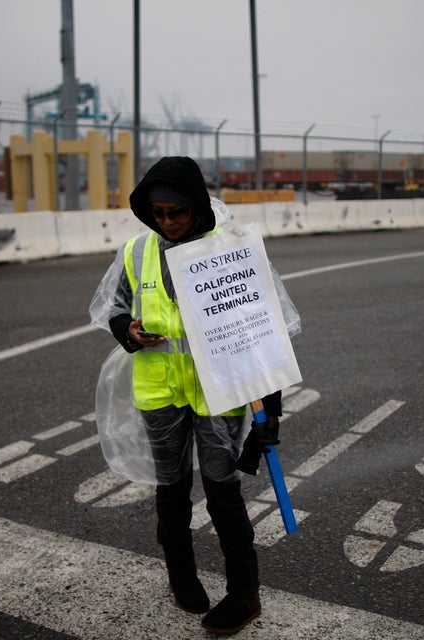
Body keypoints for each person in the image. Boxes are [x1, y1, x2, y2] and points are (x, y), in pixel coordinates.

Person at [89, 156, 299, 635]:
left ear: (197, 210)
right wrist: (128, 330)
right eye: (158, 213)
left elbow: (264, 331)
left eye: (176, 213)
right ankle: (181, 575)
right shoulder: (137, 251)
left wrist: (271, 409)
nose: (167, 223)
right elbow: (115, 307)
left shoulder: (231, 252)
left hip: (217, 391)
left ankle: (244, 594)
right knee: (172, 489)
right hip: (159, 388)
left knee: (223, 493)